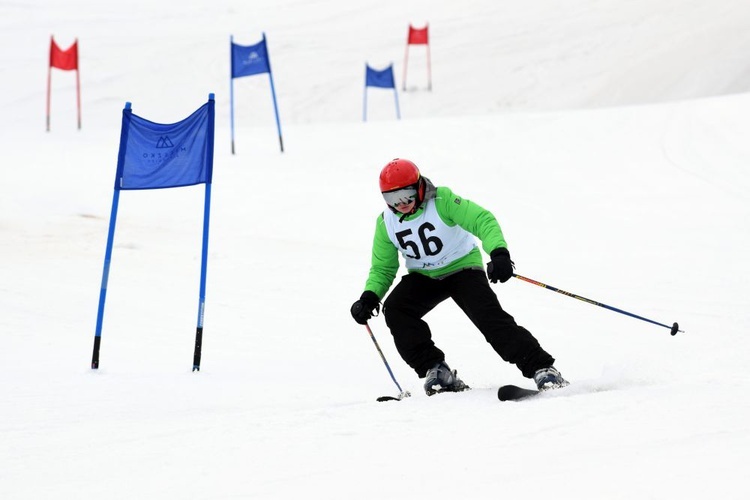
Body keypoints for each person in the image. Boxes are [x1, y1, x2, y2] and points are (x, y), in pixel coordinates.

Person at [350, 158, 568, 396]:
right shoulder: (386, 223)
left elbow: (481, 220)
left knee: (489, 318)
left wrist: (499, 253)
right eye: (392, 198)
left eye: (407, 195)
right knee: (396, 309)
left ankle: (542, 368)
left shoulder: (442, 200)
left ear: (420, 186)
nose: (401, 203)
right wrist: (370, 296)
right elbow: (382, 267)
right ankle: (437, 370)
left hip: (462, 268)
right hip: (425, 276)